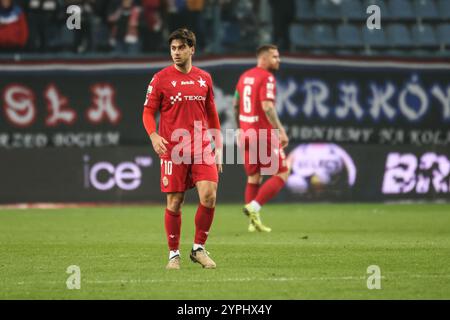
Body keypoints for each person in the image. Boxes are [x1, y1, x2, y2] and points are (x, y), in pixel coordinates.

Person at [142, 28, 222, 270]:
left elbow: (212, 114)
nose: (176, 53)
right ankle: (173, 254)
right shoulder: (160, 78)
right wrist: (154, 135)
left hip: (201, 146)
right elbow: (147, 112)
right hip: (173, 148)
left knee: (209, 195)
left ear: (192, 49)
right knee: (175, 202)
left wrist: (217, 146)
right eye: (173, 48)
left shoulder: (204, 78)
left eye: (181, 48)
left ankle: (198, 248)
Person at [233, 44, 290, 233]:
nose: (278, 60)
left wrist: (239, 129)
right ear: (263, 58)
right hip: (262, 132)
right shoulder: (267, 78)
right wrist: (280, 130)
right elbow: (267, 106)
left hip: (246, 133)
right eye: (275, 56)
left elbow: (235, 104)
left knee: (254, 177)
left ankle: (253, 222)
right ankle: (254, 207)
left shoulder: (244, 77)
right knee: (282, 171)